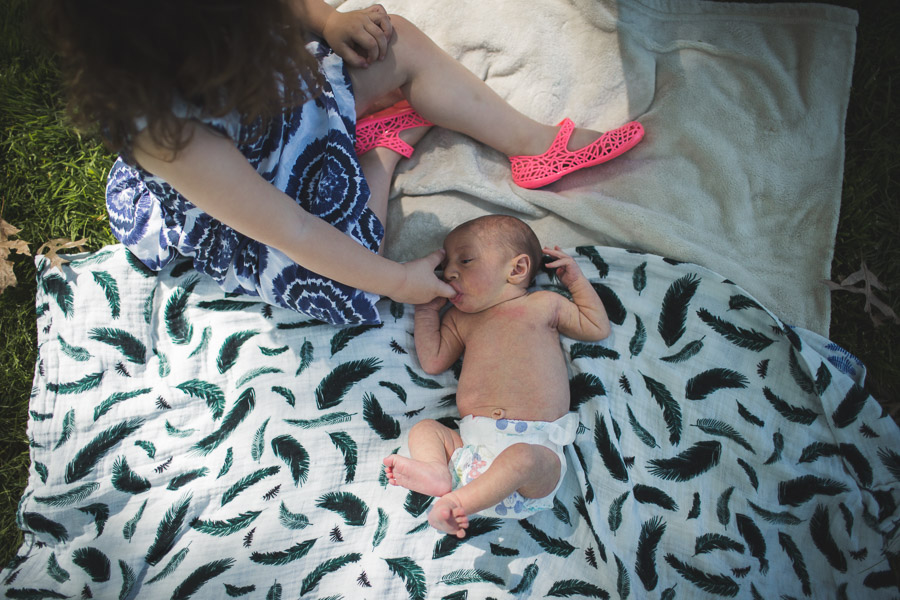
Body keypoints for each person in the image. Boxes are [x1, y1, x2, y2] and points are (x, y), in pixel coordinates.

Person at [41, 0, 643, 325]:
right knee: (351, 277)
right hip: (261, 201)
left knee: (396, 38)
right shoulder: (166, 133)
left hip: (291, 109)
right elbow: (295, 231)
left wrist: (328, 20)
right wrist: (401, 281)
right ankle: (379, 150)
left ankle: (534, 147)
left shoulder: (226, 30)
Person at [383, 215, 610, 538]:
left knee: (522, 459)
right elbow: (433, 361)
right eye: (447, 266)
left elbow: (596, 326)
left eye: (466, 260)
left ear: (516, 269)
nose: (449, 273)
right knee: (425, 430)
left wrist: (575, 282)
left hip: (534, 455)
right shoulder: (461, 320)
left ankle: (454, 503)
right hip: (471, 454)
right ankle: (437, 473)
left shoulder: (544, 304)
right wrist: (426, 311)